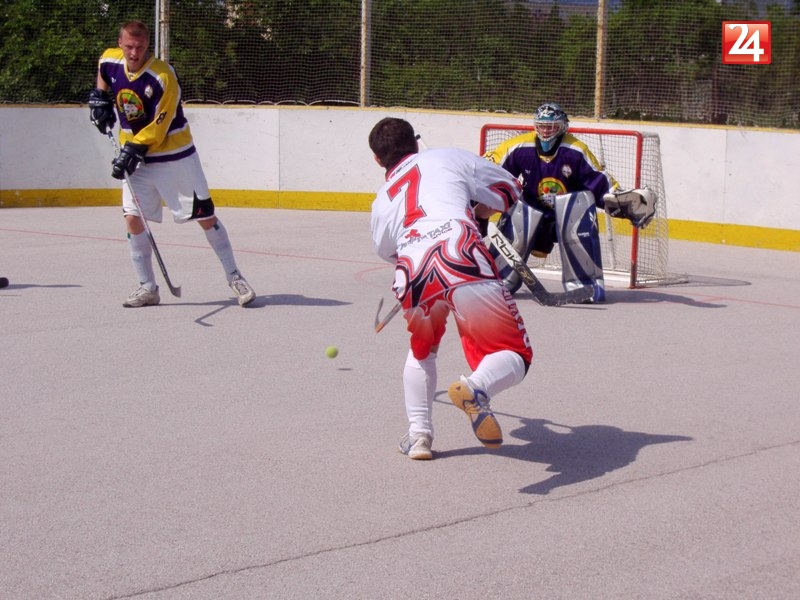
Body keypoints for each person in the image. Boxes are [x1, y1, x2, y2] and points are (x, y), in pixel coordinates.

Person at [369, 117, 533, 460]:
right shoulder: (447, 156)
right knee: (514, 354)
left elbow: (387, 251)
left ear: (377, 159)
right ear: (415, 142)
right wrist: (479, 211)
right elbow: (509, 189)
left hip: (412, 270)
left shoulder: (382, 199)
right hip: (460, 253)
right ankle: (476, 387)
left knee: (422, 351)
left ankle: (419, 436)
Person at [88, 20, 255, 308]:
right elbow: (102, 71)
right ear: (120, 44)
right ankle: (147, 287)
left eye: (140, 47)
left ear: (148, 45)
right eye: (129, 46)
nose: (134, 53)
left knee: (205, 216)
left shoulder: (163, 76)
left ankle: (234, 276)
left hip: (174, 156)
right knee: (132, 218)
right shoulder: (110, 59)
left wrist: (132, 150)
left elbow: (159, 126)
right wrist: (100, 98)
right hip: (136, 156)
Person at [483, 102, 618, 303]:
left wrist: (621, 201)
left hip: (566, 215)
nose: (546, 131)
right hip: (531, 212)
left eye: (552, 126)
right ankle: (499, 281)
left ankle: (585, 286)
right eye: (542, 126)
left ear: (563, 127)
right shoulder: (518, 146)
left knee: (579, 209)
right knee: (516, 210)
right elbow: (491, 171)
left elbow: (598, 181)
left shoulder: (576, 149)